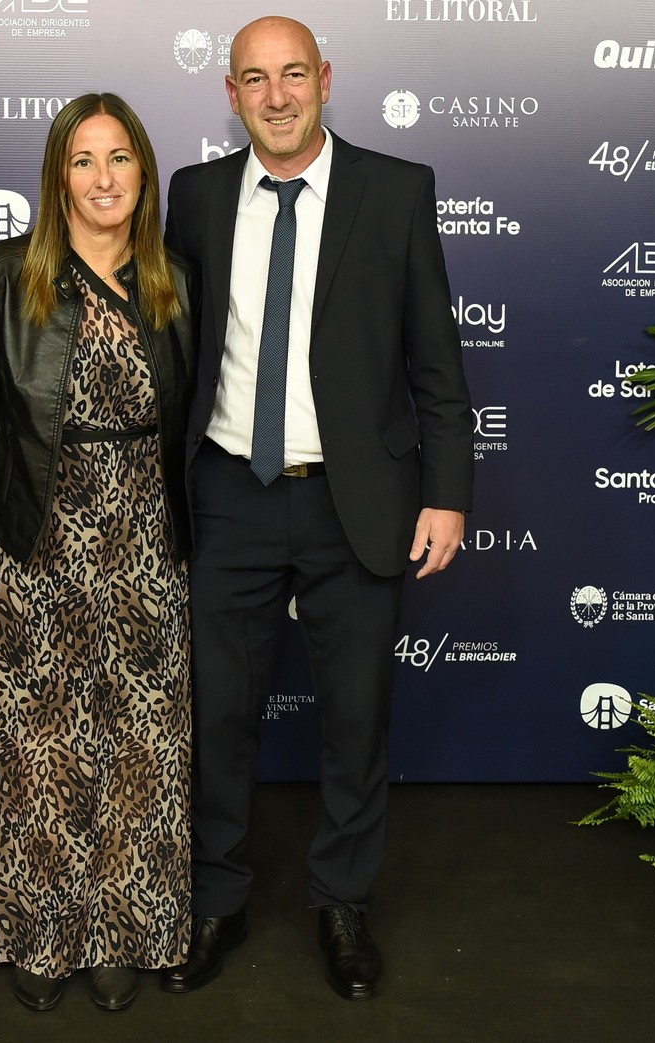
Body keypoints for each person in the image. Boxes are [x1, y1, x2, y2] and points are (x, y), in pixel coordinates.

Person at [162, 16, 473, 1002]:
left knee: (355, 717)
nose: (277, 96)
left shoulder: (395, 190)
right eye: (254, 80)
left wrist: (446, 494)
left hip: (357, 502)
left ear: (325, 80)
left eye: (292, 74)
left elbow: (435, 364)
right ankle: (216, 898)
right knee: (217, 714)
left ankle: (341, 902)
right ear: (231, 94)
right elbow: (170, 353)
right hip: (227, 495)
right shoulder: (194, 196)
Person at [0, 92, 197, 1013]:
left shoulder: (174, 279)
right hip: (35, 534)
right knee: (38, 745)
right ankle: (41, 934)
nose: (102, 178)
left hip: (146, 541)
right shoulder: (8, 275)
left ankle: (123, 930)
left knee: (140, 741)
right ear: (58, 179)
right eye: (82, 161)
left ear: (143, 173)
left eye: (118, 158)